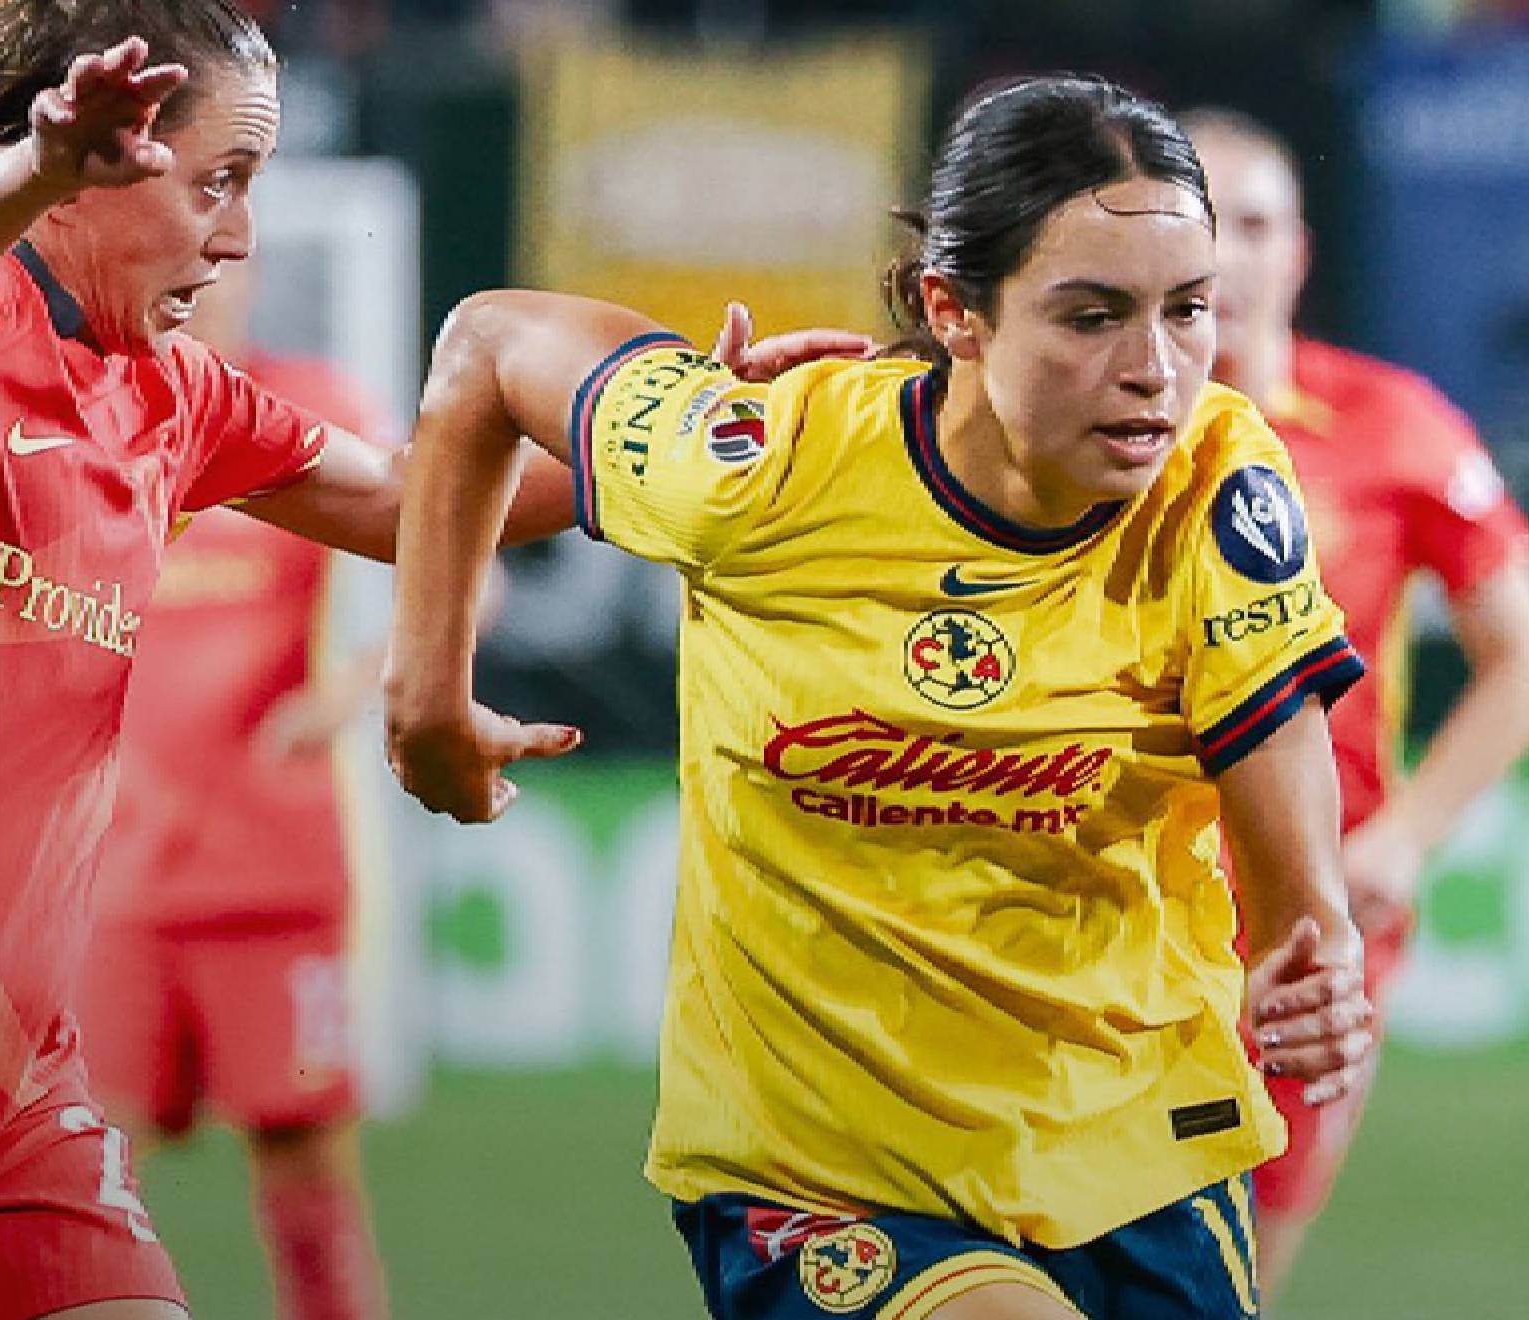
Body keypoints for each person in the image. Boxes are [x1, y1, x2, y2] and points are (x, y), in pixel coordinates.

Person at [0, 3, 856, 1315]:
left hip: (2, 1122)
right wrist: (38, 158)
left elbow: (401, 494)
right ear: (96, 164)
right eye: (218, 182)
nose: (241, 235)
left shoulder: (172, 397)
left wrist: (697, 439)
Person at [385, 74, 1376, 1320]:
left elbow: (1270, 727)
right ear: (953, 309)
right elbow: (485, 344)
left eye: (1188, 311)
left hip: (1132, 1150)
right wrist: (426, 693)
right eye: (1092, 317)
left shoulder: (1218, 478)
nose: (1157, 370)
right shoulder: (759, 467)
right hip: (821, 1176)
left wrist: (1316, 939)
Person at [1183, 108, 1529, 1295]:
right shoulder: (1090, 431)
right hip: (1112, 901)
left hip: (1311, 916)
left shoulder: (1393, 425)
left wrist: (1402, 839)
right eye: (1196, 223)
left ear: (1298, 252)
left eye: (1254, 224)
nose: (1225, 257)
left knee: (1239, 1266)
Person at [74, 267, 390, 1320]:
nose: (210, 286)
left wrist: (365, 688)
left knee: (308, 1185)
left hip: (273, 875)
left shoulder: (308, 412)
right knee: (81, 1187)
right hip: (108, 878)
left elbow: (460, 544)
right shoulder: (82, 416)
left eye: (231, 263)